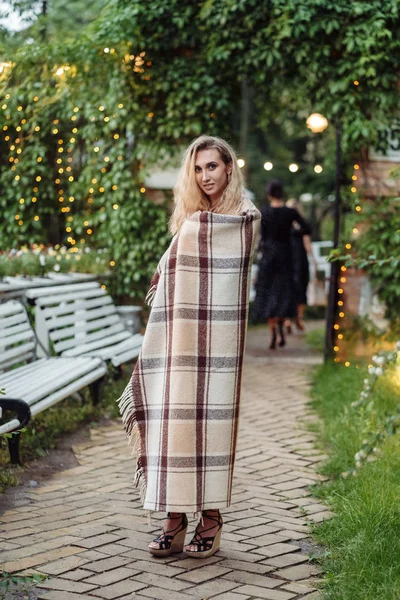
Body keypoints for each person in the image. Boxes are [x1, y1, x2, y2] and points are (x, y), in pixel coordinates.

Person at [118, 135, 260, 559]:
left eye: (212, 167)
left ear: (229, 168)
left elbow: (226, 271)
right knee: (175, 424)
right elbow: (172, 277)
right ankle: (175, 518)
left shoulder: (244, 218)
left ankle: (211, 517)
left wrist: (195, 231)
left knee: (212, 429)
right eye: (198, 169)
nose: (205, 176)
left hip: (218, 342)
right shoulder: (191, 217)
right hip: (180, 342)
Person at [252, 180, 311, 349]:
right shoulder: (290, 212)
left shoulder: (264, 212)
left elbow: (262, 238)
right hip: (285, 256)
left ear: (269, 194)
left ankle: (273, 332)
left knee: (268, 291)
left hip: (269, 256)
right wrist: (293, 233)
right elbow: (307, 228)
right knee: (283, 292)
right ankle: (282, 329)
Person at [286, 198, 317, 331]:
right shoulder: (292, 224)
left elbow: (307, 242)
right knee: (295, 288)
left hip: (295, 260)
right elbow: (307, 243)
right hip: (293, 260)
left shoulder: (296, 225)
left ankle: (293, 318)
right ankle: (293, 318)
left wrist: (313, 260)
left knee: (296, 288)